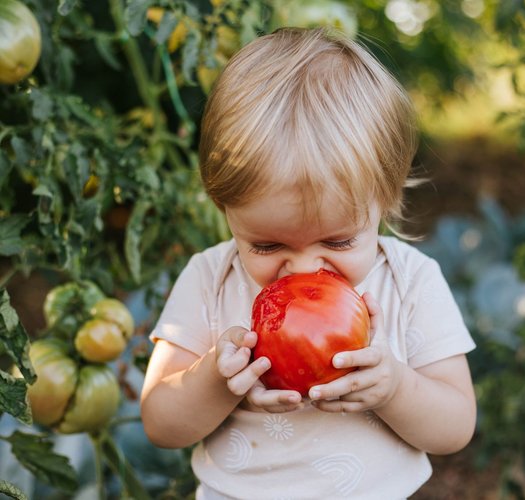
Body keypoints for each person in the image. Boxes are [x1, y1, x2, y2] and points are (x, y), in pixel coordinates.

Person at [140, 27, 477, 499]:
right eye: (266, 246)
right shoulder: (209, 280)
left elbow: (456, 426)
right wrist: (216, 383)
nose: (300, 270)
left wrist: (396, 388)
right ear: (226, 212)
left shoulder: (411, 282)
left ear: (385, 201)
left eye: (338, 241)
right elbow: (160, 422)